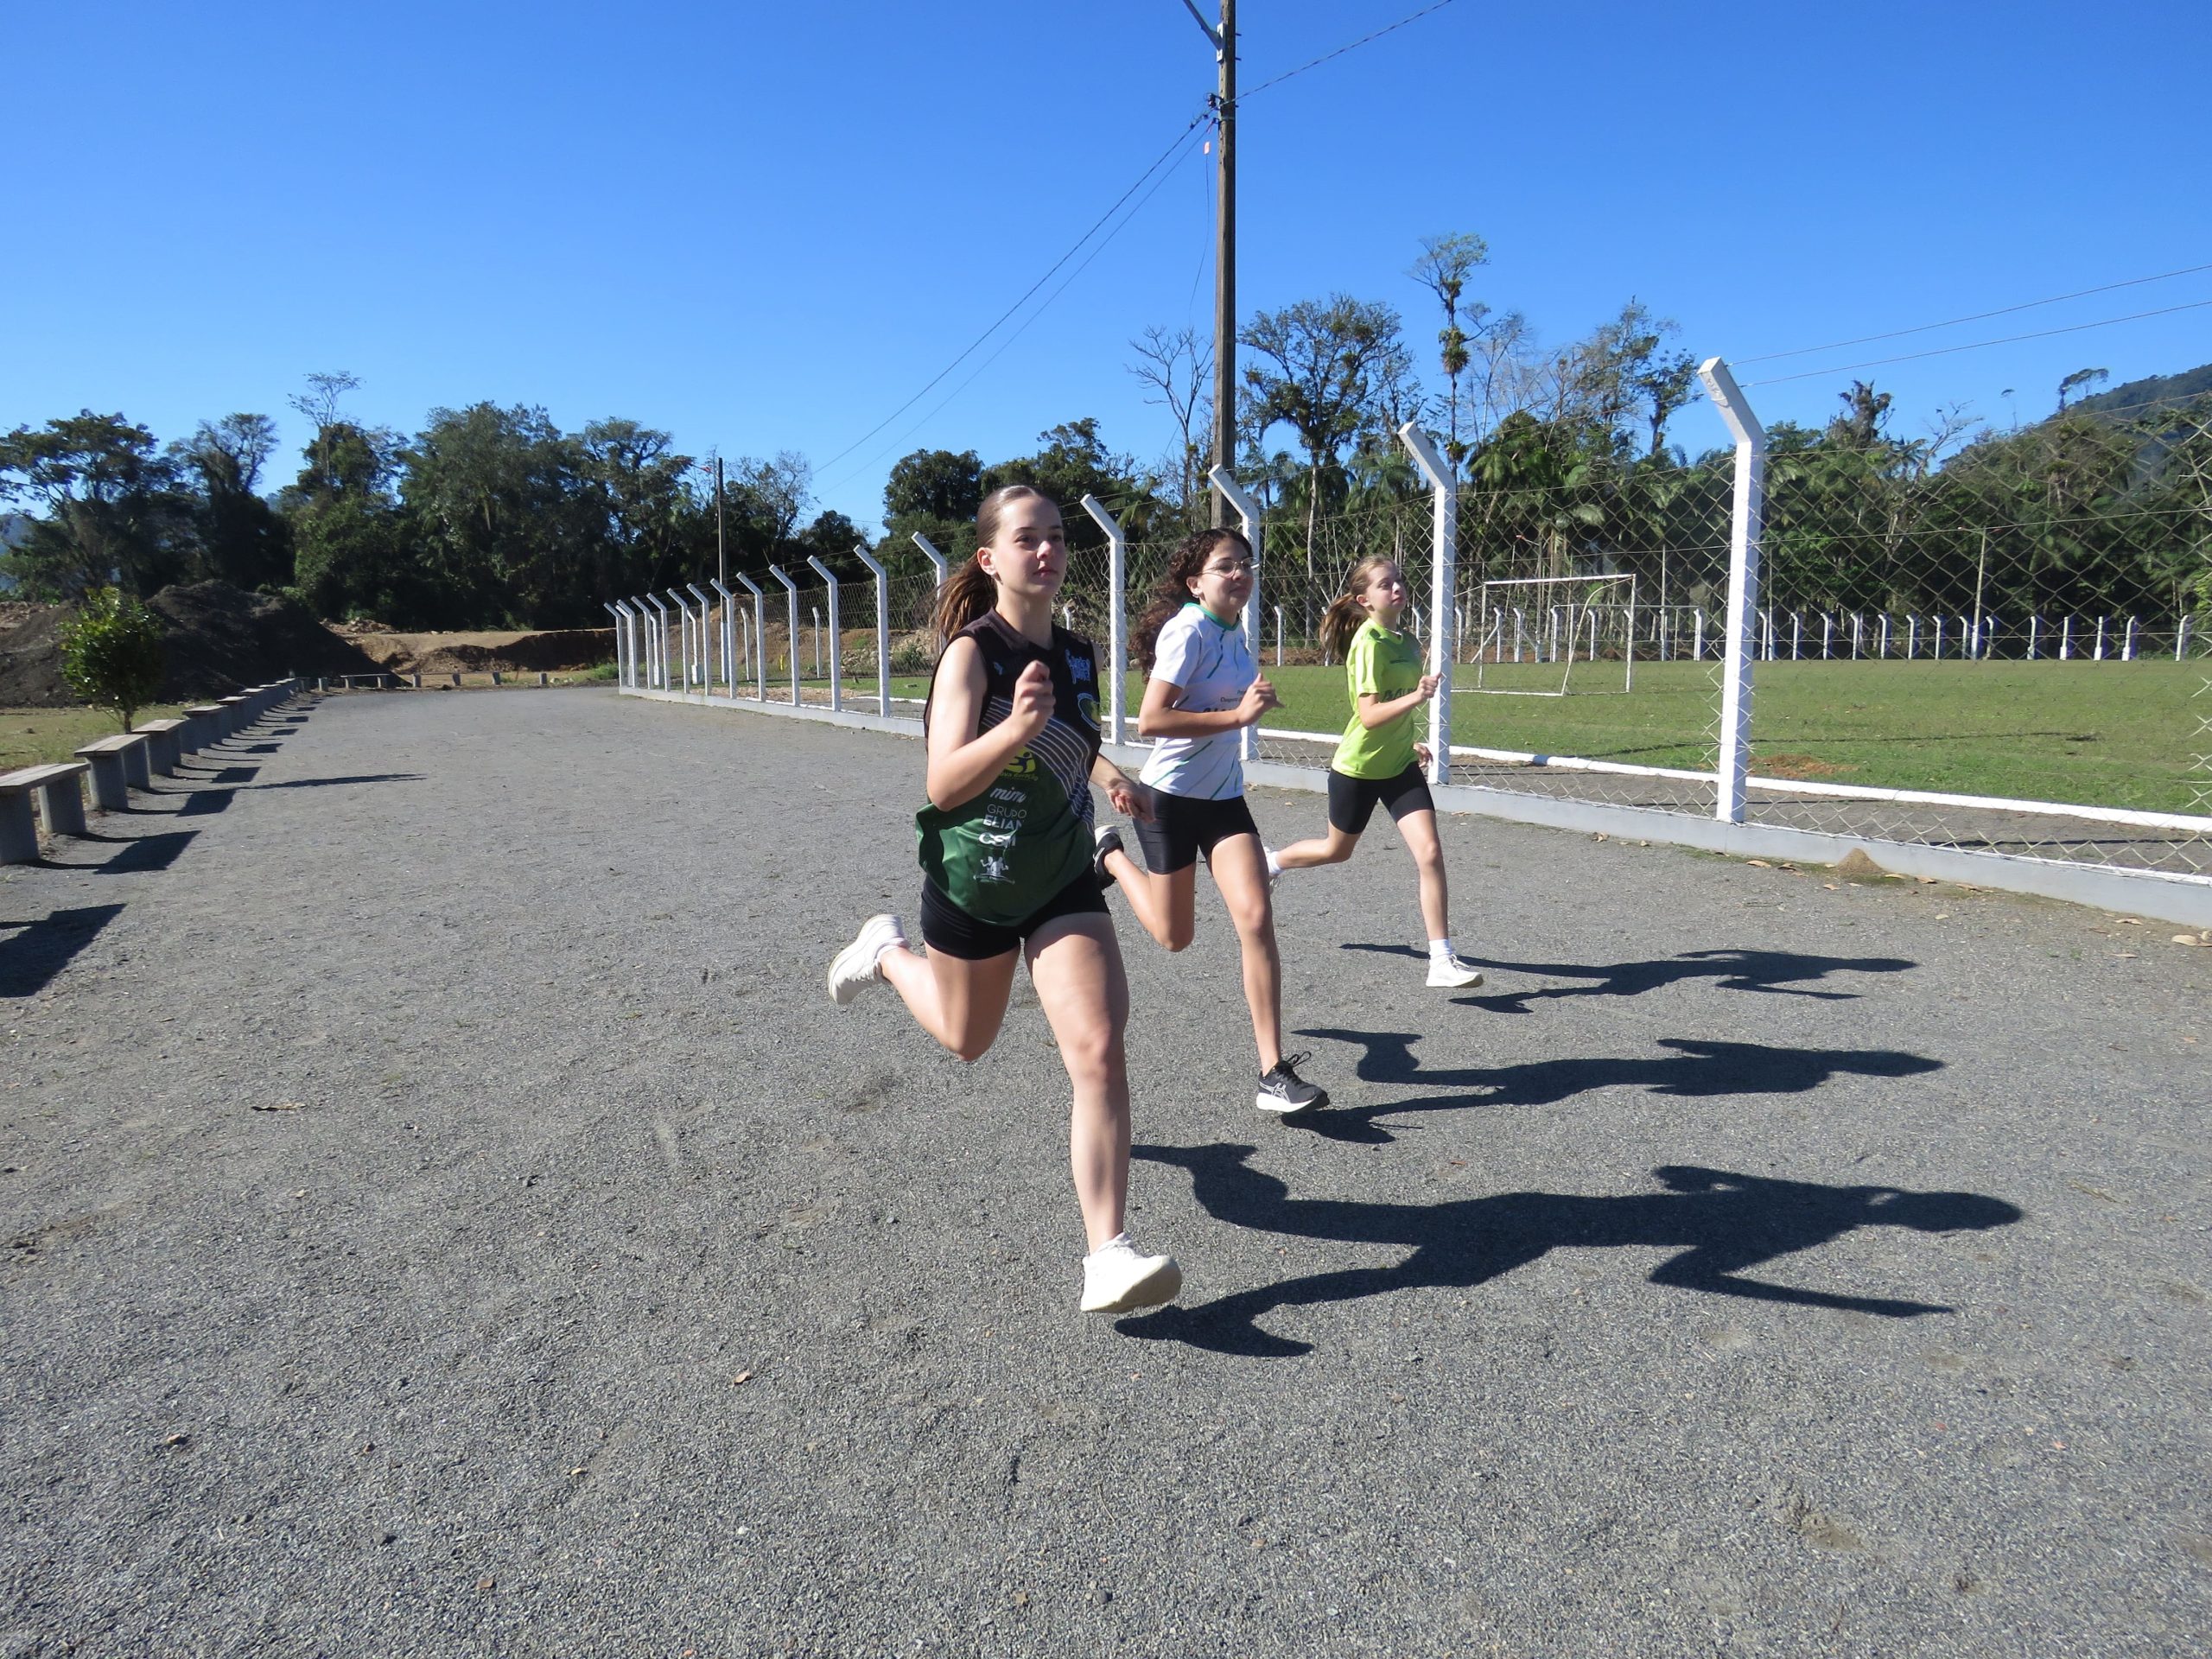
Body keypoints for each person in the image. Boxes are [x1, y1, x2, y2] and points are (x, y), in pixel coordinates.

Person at [824, 485, 1182, 1315]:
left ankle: (1108, 1254)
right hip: (974, 881)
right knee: (965, 1039)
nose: (1049, 550)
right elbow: (942, 784)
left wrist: (1111, 778)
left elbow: (1075, 736)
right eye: (1029, 538)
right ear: (991, 559)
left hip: (1059, 871)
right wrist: (1013, 730)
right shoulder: (971, 655)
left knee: (1097, 1046)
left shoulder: (1081, 652)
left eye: (1058, 536)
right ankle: (884, 950)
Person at [1093, 525, 1328, 1115]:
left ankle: (1273, 1073)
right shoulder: (1189, 629)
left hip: (1225, 802)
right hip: (1169, 800)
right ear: (1197, 582)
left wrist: (1251, 704)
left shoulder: (1236, 637)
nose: (1240, 573)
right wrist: (1238, 717)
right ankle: (1110, 858)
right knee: (1175, 937)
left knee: (1255, 915)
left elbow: (1228, 705)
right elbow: (1150, 720)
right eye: (1226, 565)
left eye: (1245, 563)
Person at [1268, 555, 1484, 989]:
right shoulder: (1369, 641)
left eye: (1400, 581)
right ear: (1365, 600)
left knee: (1430, 853)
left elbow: (1394, 706)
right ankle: (1272, 862)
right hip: (1358, 769)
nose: (1397, 588)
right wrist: (1417, 698)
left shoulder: (1405, 640)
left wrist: (1409, 742)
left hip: (1399, 766)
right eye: (1386, 584)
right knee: (1336, 851)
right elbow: (1368, 716)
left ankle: (1441, 959)